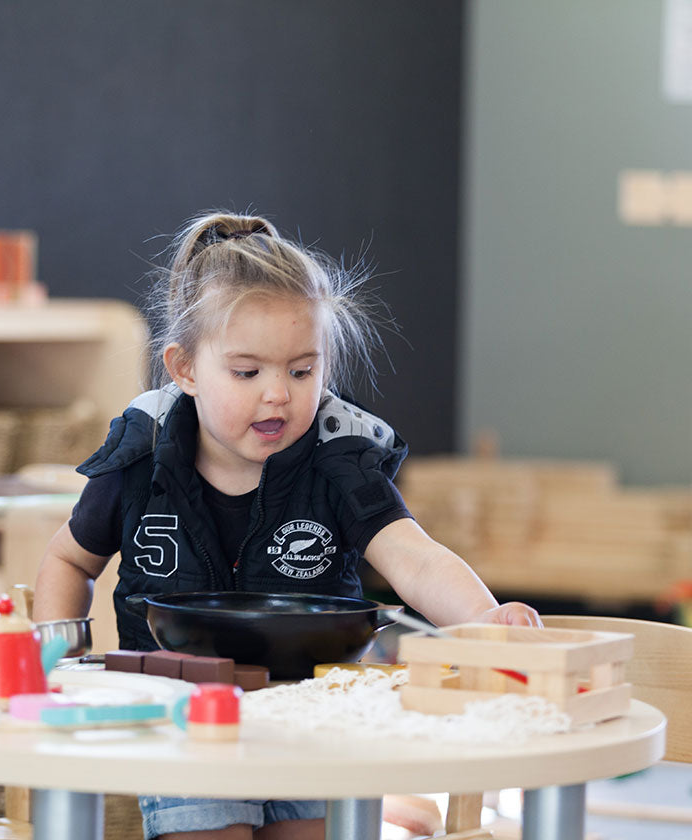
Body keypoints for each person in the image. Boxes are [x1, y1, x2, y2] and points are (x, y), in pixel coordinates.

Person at [33, 210, 541, 840]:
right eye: (248, 373)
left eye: (303, 371)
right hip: (185, 721)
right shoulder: (142, 458)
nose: (279, 394)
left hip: (317, 718)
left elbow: (415, 557)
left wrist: (485, 621)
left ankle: (394, 813)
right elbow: (68, 560)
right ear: (184, 368)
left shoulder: (338, 458)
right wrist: (56, 665)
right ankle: (400, 814)